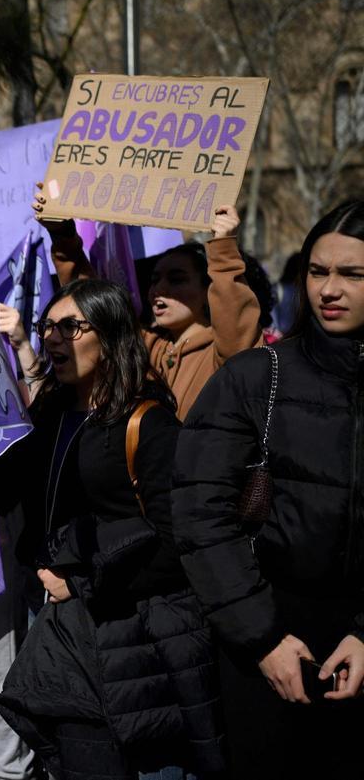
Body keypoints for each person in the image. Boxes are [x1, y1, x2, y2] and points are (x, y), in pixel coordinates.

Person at [0, 279, 223, 780]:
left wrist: (80, 584)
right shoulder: (51, 413)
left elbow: (177, 541)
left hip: (130, 631)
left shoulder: (149, 424)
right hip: (57, 621)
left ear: (112, 334)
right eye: (47, 326)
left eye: (70, 327)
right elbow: (14, 493)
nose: (53, 338)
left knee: (145, 762)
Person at [173, 200, 364, 779]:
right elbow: (200, 515)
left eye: (352, 274)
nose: (329, 289)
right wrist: (263, 638)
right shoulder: (256, 376)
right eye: (316, 270)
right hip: (268, 638)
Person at [34, 192, 260, 417]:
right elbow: (89, 303)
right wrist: (62, 234)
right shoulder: (144, 346)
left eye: (176, 279)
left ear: (208, 289)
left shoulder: (222, 353)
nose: (159, 289)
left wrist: (223, 247)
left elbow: (237, 335)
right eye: (154, 280)